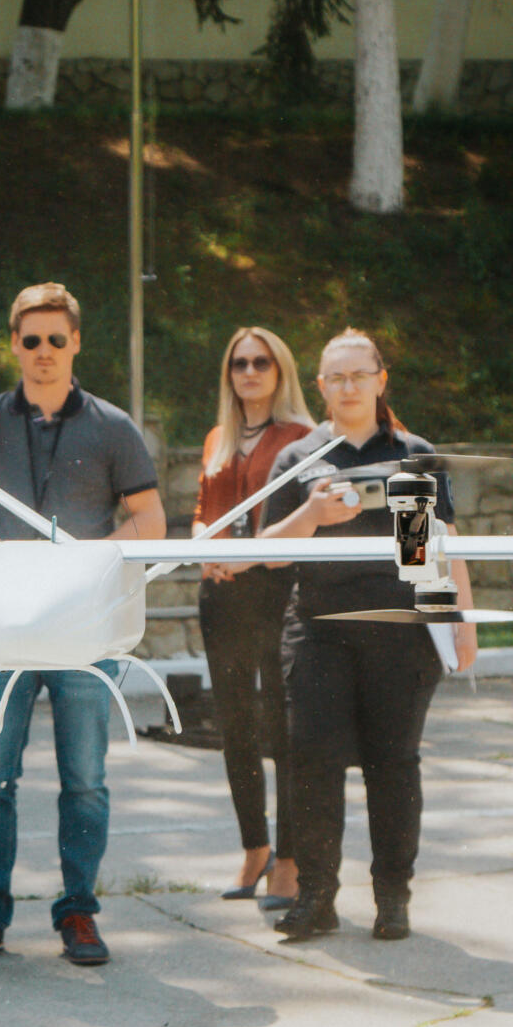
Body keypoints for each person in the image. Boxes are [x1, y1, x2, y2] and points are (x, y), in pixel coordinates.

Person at [0, 282, 164, 968]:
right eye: (30, 340)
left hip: (82, 629)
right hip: (3, 623)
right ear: (14, 344)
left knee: (86, 777)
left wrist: (88, 564)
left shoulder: (113, 426)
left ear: (76, 344)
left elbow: (149, 519)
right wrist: (1, 557)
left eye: (54, 340)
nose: (42, 352)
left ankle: (79, 911)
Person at [259, 329, 472, 944]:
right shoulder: (296, 458)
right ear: (320, 386)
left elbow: (436, 549)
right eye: (336, 377)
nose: (348, 387)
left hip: (400, 629)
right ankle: (317, 897)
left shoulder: (413, 452)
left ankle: (391, 898)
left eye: (360, 375)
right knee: (314, 763)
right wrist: (312, 516)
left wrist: (460, 619)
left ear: (381, 380)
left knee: (393, 765)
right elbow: (268, 556)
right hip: (320, 629)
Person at [193, 326, 316, 912]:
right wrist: (204, 548)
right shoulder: (219, 435)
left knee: (282, 727)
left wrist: (239, 557)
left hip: (276, 590)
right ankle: (254, 848)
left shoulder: (301, 437)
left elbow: (301, 523)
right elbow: (202, 513)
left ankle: (290, 861)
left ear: (280, 369)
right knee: (235, 726)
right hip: (220, 594)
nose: (249, 372)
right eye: (238, 362)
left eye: (261, 362)